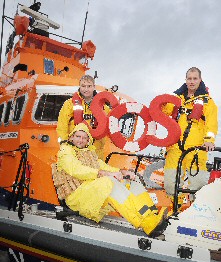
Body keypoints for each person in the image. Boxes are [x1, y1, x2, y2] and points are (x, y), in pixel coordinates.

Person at [53, 122, 168, 237]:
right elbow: (76, 170)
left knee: (131, 181)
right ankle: (145, 224)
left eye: (84, 138)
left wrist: (123, 173)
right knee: (109, 182)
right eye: (78, 136)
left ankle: (151, 215)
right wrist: (103, 173)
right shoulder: (65, 152)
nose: (81, 140)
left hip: (91, 192)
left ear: (88, 140)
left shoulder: (89, 153)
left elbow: (105, 167)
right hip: (76, 196)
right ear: (72, 137)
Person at [163, 67, 218, 206]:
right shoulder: (176, 99)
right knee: (170, 184)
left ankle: (196, 213)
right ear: (185, 80)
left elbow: (211, 125)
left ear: (200, 80)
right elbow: (163, 111)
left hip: (196, 150)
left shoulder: (208, 102)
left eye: (195, 78)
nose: (192, 81)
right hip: (175, 148)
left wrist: (209, 141)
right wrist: (162, 101)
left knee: (198, 186)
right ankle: (174, 209)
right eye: (189, 78)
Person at [56, 74, 109, 160]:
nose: (86, 89)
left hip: (96, 151)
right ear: (80, 86)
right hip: (75, 149)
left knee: (98, 172)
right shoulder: (69, 104)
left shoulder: (104, 107)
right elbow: (62, 125)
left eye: (89, 86)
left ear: (94, 87)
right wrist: (64, 143)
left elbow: (110, 125)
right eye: (83, 86)